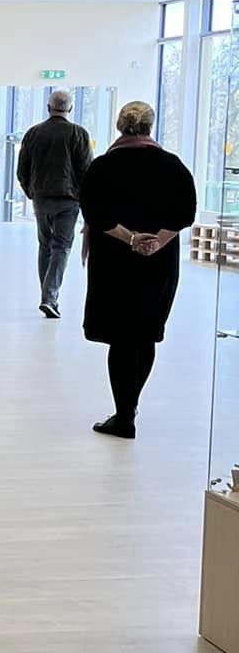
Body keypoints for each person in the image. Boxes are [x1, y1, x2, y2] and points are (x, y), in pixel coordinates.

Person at [79, 100, 197, 439]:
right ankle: (130, 409)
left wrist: (130, 239)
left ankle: (123, 414)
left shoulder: (103, 166)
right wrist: (156, 242)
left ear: (120, 126)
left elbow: (94, 213)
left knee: (121, 338)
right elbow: (185, 212)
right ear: (150, 126)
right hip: (158, 263)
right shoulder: (172, 166)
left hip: (114, 263)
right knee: (144, 335)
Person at [18, 88, 94, 320]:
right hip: (68, 200)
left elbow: (22, 169)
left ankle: (47, 296)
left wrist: (31, 191)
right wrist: (86, 200)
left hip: (41, 198)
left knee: (45, 245)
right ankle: (49, 298)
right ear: (70, 108)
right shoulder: (78, 134)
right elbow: (87, 171)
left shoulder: (33, 133)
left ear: (48, 107)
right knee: (61, 246)